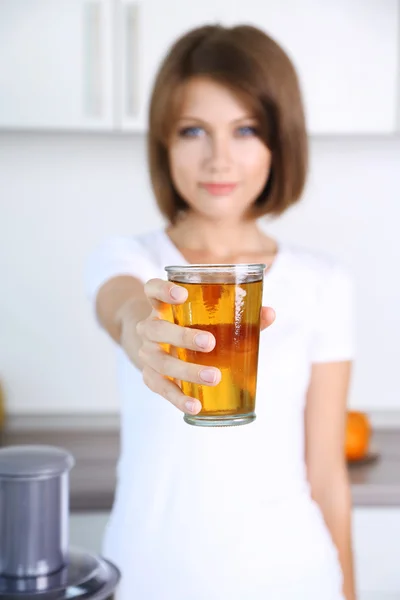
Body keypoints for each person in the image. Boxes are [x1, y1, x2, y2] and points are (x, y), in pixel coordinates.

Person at [85, 23, 356, 600]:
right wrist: (144, 336)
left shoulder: (325, 284)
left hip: (295, 579)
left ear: (279, 142)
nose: (219, 159)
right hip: (146, 580)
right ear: (164, 142)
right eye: (193, 131)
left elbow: (328, 477)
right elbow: (124, 308)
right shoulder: (131, 260)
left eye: (246, 129)